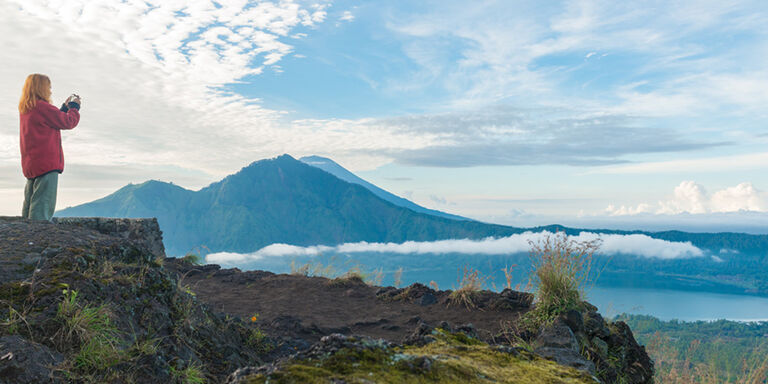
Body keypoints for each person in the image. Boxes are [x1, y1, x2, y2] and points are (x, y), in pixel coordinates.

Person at [18, 73, 81, 221]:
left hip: (32, 164)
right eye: (49, 87)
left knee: (30, 204)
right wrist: (74, 107)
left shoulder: (26, 109)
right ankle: (37, 239)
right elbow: (68, 122)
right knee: (42, 208)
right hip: (47, 164)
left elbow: (51, 121)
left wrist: (63, 109)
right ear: (42, 88)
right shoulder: (42, 107)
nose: (50, 91)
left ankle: (27, 237)